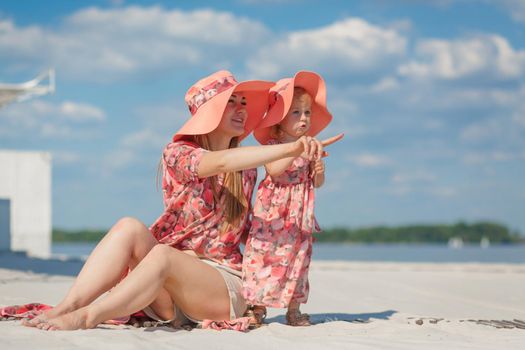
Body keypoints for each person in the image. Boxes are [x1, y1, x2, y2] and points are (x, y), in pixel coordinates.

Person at [23, 70, 343, 331]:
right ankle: (67, 307)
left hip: (221, 285)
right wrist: (293, 147)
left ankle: (87, 317)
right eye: (232, 102)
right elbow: (216, 163)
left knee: (163, 256)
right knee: (129, 227)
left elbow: (256, 222)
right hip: (169, 284)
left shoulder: (245, 167)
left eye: (244, 103)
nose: (243, 109)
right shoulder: (178, 153)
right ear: (209, 111)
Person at [242, 71, 333, 327]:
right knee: (265, 255)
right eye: (296, 113)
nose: (304, 118)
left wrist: (319, 173)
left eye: (307, 113)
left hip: (299, 212)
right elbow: (273, 170)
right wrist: (296, 150)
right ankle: (256, 307)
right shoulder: (274, 143)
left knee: (297, 257)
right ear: (279, 120)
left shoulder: (312, 145)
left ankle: (294, 309)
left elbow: (316, 183)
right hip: (273, 212)